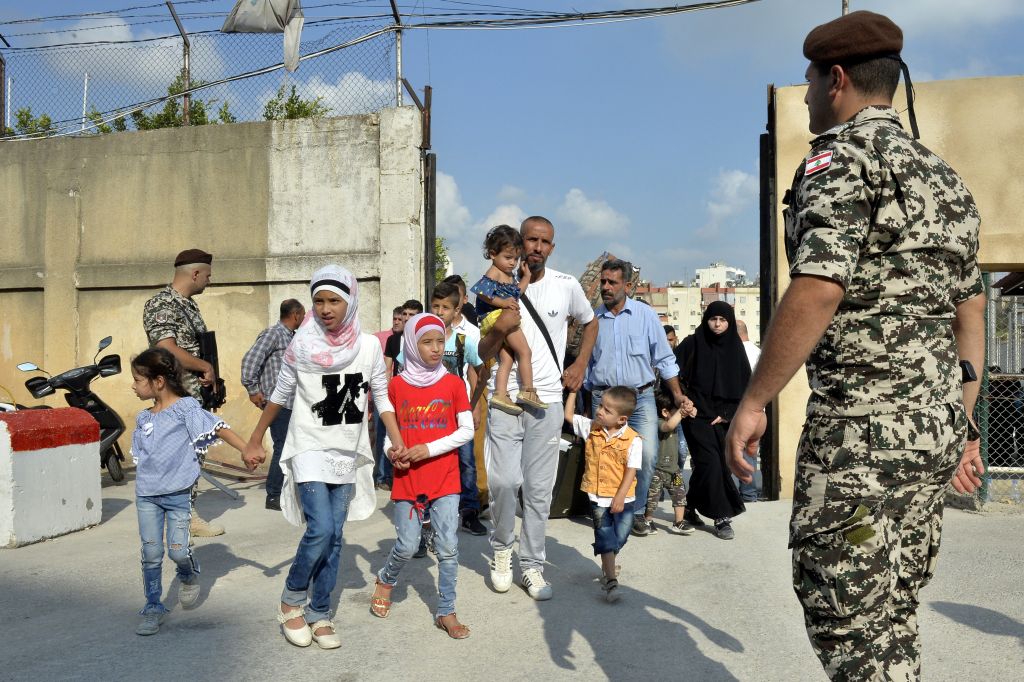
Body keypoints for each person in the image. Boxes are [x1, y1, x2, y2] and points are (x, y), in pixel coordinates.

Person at [724, 11, 986, 680]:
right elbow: (971, 306)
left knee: (846, 615)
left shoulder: (840, 159)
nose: (807, 93)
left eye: (810, 79)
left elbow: (819, 285)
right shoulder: (943, 178)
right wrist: (963, 419)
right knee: (891, 611)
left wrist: (756, 399)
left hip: (860, 434)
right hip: (929, 429)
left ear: (836, 79)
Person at [243, 265, 402, 650]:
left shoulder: (367, 347)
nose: (326, 308)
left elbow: (380, 396)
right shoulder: (302, 345)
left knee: (335, 537)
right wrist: (254, 439)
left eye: (334, 300)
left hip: (347, 449)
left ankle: (320, 612)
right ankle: (291, 600)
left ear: (350, 301)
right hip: (309, 446)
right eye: (319, 301)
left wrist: (395, 441)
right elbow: (280, 394)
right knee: (322, 529)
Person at [478, 216, 598, 600]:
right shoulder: (495, 285)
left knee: (540, 489)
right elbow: (481, 351)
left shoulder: (566, 286)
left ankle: (531, 565)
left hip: (545, 400)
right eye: (531, 240)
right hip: (505, 399)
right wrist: (500, 328)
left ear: (552, 247)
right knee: (503, 481)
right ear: (519, 242)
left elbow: (590, 321)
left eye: (545, 242)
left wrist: (579, 364)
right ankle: (501, 551)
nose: (537, 248)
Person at [129, 347, 255, 636]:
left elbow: (219, 428)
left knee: (177, 552)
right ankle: (152, 606)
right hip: (147, 495)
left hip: (177, 495)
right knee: (150, 552)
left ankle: (187, 573)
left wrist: (247, 447)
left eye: (138, 380)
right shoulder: (143, 418)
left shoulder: (186, 409)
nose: (133, 386)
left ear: (158, 381)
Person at [369, 313, 474, 638]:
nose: (435, 348)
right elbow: (390, 433)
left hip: (445, 478)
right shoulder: (397, 386)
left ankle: (446, 610)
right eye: (427, 342)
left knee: (447, 548)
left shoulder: (455, 383)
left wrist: (428, 449)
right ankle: (386, 578)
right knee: (407, 544)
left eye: (440, 341)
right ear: (412, 344)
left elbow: (467, 431)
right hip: (409, 479)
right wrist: (392, 453)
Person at [585, 259, 692, 538]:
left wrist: (678, 396)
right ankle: (605, 509)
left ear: (628, 286)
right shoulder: (594, 319)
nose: (606, 287)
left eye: (612, 282)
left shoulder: (645, 316)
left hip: (640, 399)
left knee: (646, 455)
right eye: (603, 282)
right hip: (604, 398)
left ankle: (635, 512)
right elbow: (586, 363)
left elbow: (665, 359)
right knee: (602, 457)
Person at [142, 248, 223, 538]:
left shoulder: (187, 306)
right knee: (183, 457)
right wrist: (203, 365)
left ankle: (182, 515)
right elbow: (166, 348)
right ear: (196, 273)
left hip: (192, 396)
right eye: (208, 276)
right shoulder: (163, 304)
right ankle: (185, 517)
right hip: (178, 396)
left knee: (191, 455)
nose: (209, 281)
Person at [675, 301, 749, 540]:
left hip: (725, 420)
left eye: (723, 320)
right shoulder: (692, 344)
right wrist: (684, 402)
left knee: (718, 465)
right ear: (706, 319)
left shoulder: (736, 349)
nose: (717, 324)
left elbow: (747, 387)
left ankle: (689, 506)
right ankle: (722, 516)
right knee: (711, 464)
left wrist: (728, 414)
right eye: (713, 319)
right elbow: (670, 375)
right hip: (696, 417)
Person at [564, 386, 640, 603]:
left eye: (607, 410)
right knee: (605, 536)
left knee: (621, 536)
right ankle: (611, 581)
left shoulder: (633, 440)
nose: (600, 411)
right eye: (600, 406)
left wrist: (619, 496)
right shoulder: (591, 428)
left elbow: (631, 470)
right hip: (597, 497)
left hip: (624, 497)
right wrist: (572, 392)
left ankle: (608, 562)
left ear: (621, 419)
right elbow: (568, 416)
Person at [429, 282, 487, 535]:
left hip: (459, 408)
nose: (439, 311)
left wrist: (473, 406)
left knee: (466, 461)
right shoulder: (423, 335)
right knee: (434, 461)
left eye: (445, 307)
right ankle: (428, 515)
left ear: (456, 310)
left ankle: (470, 511)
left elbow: (476, 372)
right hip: (430, 412)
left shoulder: (466, 337)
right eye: (435, 306)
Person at [471, 225, 547, 414]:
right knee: (525, 352)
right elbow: (482, 293)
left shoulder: (507, 275)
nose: (512, 263)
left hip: (494, 318)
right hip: (497, 317)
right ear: (492, 254)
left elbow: (516, 294)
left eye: (515, 258)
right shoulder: (494, 272)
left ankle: (500, 394)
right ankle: (528, 390)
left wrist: (526, 277)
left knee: (507, 360)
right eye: (508, 257)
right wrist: (502, 303)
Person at [240, 298, 306, 510]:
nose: (303, 319)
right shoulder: (274, 334)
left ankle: (288, 492)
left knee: (293, 447)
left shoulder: (292, 337)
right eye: (302, 315)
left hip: (293, 403)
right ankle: (274, 495)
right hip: (278, 403)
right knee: (283, 446)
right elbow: (250, 360)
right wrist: (253, 390)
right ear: (295, 315)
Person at [644, 390, 691, 535]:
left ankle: (678, 522)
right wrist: (681, 412)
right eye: (676, 411)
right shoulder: (659, 423)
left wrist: (688, 408)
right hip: (658, 470)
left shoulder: (675, 422)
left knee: (680, 495)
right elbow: (668, 426)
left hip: (674, 470)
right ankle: (647, 520)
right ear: (665, 412)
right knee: (653, 498)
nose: (680, 415)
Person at [372, 306, 406, 489]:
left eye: (400, 319)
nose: (397, 321)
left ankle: (396, 475)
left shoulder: (414, 338)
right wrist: (381, 395)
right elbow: (384, 369)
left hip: (403, 395)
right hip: (384, 394)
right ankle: (382, 477)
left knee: (399, 435)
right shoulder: (381, 338)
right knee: (382, 434)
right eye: (396, 318)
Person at [735, 319, 761, 503]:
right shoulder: (759, 353)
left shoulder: (734, 353)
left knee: (733, 452)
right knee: (751, 452)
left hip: (737, 409)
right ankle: (749, 494)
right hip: (758, 411)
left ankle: (736, 493)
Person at [384, 299, 423, 377]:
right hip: (399, 385)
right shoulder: (392, 340)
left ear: (419, 317)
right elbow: (387, 370)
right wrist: (387, 389)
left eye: (411, 314)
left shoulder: (424, 338)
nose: (406, 318)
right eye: (404, 314)